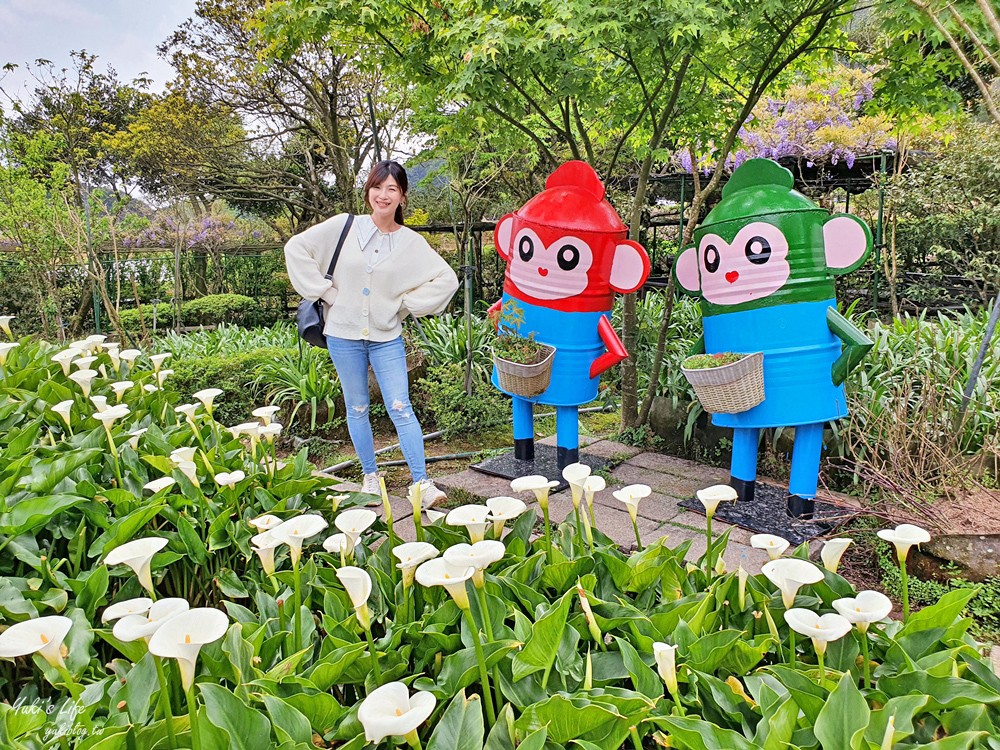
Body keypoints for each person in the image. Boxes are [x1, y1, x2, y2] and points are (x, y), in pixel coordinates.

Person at [284, 160, 459, 505]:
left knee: (400, 406)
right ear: (368, 193)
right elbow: (295, 248)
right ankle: (370, 476)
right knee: (358, 407)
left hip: (386, 337)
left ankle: (421, 483)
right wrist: (327, 292)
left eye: (391, 189)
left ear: (402, 197)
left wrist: (404, 304)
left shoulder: (410, 242)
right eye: (377, 187)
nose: (383, 195)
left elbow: (447, 280)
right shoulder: (343, 227)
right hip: (342, 335)